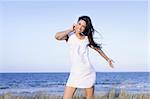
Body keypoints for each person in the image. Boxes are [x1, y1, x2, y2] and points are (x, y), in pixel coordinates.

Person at [55, 16, 114, 99]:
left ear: (85, 28)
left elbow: (98, 49)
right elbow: (57, 36)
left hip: (87, 71)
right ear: (76, 24)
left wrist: (108, 59)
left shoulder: (86, 39)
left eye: (83, 26)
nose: (80, 27)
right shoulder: (69, 36)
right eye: (79, 24)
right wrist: (70, 29)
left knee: (89, 97)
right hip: (75, 72)